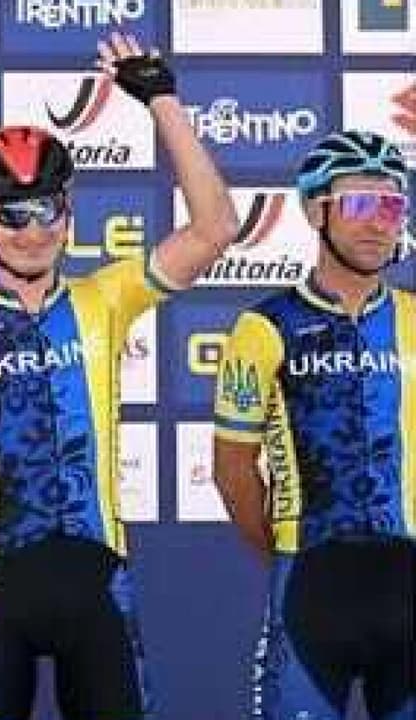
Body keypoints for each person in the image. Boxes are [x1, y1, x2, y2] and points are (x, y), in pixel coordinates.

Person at [0, 32, 239, 719]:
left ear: (69, 209)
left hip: (96, 579)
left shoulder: (103, 299)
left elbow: (216, 229)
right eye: (12, 215)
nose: (32, 232)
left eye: (47, 209)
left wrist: (162, 100)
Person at [213, 129, 414, 720]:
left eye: (391, 206)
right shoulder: (263, 328)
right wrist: (288, 553)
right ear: (314, 211)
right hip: (310, 590)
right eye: (358, 203)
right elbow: (232, 471)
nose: (377, 223)